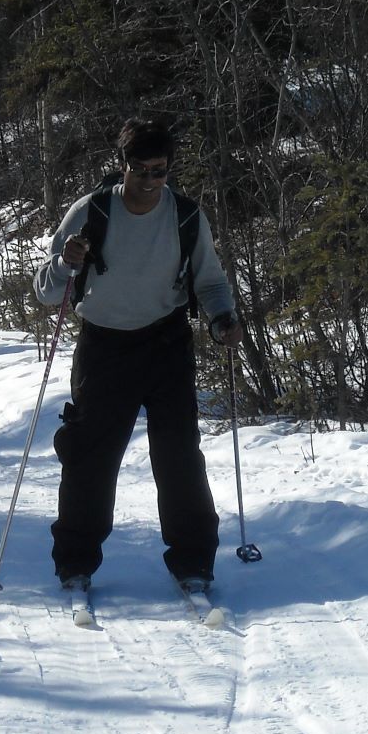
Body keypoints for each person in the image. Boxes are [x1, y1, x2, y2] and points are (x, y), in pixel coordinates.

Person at [33, 117, 244, 594]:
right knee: (90, 457)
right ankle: (75, 562)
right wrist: (67, 261)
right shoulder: (91, 212)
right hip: (104, 345)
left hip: (166, 342)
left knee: (178, 456)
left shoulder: (187, 216)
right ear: (122, 165)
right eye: (141, 169)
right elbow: (47, 291)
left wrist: (221, 316)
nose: (150, 180)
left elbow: (208, 279)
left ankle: (193, 560)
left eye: (159, 170)